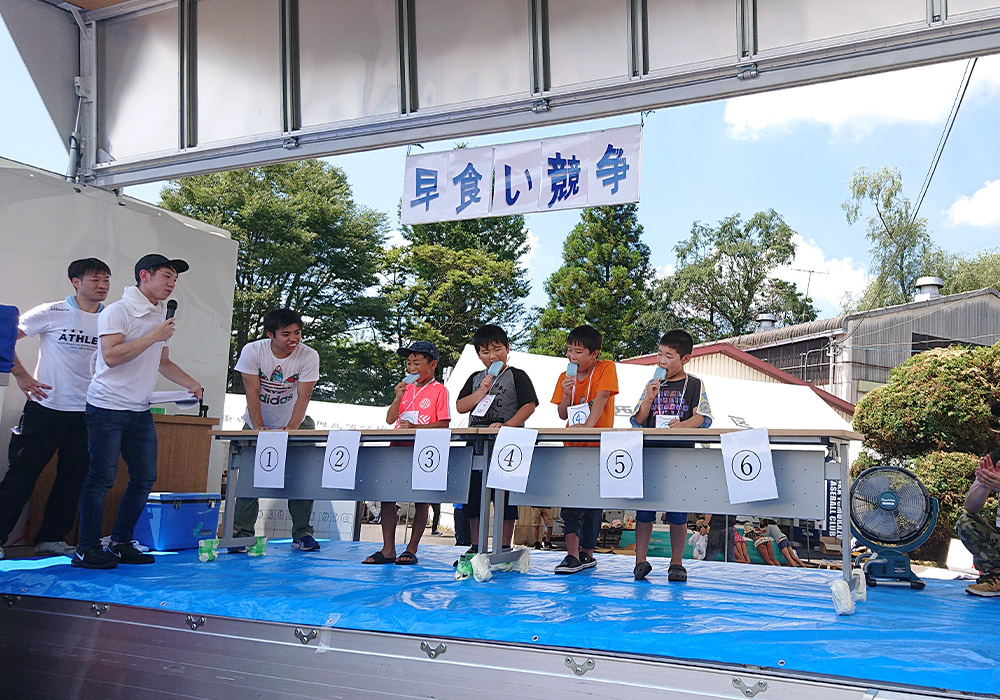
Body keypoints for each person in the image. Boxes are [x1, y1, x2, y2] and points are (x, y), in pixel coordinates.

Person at [72, 254, 202, 569]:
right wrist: (152, 336)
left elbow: (163, 361)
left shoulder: (159, 315)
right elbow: (112, 356)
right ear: (145, 275)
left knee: (144, 477)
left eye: (174, 279)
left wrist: (192, 384)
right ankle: (86, 548)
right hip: (107, 406)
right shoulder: (119, 311)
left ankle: (120, 542)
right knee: (101, 477)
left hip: (139, 409)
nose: (172, 284)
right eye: (167, 276)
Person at [0, 259, 111, 560]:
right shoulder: (52, 311)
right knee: (22, 474)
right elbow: (5, 338)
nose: (102, 286)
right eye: (95, 279)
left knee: (73, 476)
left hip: (87, 412)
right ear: (76, 282)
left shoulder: (111, 319)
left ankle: (51, 538)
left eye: (106, 280)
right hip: (45, 406)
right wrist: (23, 376)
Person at [231, 308, 320, 552]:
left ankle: (302, 533)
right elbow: (252, 391)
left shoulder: (308, 356)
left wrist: (291, 428)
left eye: (298, 333)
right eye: (286, 334)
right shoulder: (253, 351)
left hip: (297, 422)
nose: (294, 339)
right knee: (250, 479)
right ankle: (242, 534)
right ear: (270, 334)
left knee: (301, 478)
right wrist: (259, 427)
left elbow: (304, 395)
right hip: (257, 421)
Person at [629, 329, 713, 582]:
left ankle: (676, 562)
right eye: (659, 354)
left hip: (681, 454)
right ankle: (640, 561)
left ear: (685, 359)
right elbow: (639, 419)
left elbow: (703, 417)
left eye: (669, 356)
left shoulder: (695, 384)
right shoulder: (652, 384)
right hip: (651, 453)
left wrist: (684, 425)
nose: (662, 361)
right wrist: (648, 399)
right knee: (644, 510)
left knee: (678, 511)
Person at [363, 340, 450, 566]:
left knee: (421, 500)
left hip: (424, 452)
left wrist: (416, 429)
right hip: (398, 449)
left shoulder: (439, 390)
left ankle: (411, 548)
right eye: (409, 363)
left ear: (432, 365)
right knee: (388, 497)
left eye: (417, 363)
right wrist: (398, 397)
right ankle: (388, 548)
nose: (411, 368)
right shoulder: (405, 388)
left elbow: (443, 423)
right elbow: (391, 419)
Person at [456, 324, 538, 554]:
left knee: (506, 497)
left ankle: (503, 546)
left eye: (497, 349)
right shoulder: (475, 378)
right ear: (478, 355)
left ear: (508, 348)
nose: (492, 356)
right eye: (485, 351)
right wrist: (481, 391)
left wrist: (507, 426)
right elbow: (461, 406)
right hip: (476, 445)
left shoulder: (517, 376)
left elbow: (529, 405)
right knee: (473, 497)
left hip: (508, 445)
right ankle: (476, 546)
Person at [551, 325, 618, 575]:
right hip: (572, 448)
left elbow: (601, 399)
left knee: (592, 503)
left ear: (595, 354)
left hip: (598, 447)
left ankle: (587, 552)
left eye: (578, 352)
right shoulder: (564, 377)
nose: (572, 357)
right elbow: (561, 414)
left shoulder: (606, 368)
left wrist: (587, 429)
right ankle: (571, 555)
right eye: (569, 351)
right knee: (571, 501)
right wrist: (567, 394)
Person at [956, 406, 1000, 597]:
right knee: (966, 522)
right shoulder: (995, 457)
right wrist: (984, 484)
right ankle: (996, 577)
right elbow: (970, 506)